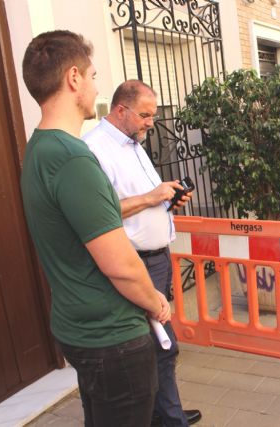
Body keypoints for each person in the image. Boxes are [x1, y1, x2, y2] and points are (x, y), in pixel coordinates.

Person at [20, 31, 170, 427]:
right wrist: (155, 301)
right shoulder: (72, 158)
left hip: (79, 327)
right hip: (112, 338)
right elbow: (119, 263)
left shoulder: (38, 147)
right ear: (73, 79)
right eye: (92, 75)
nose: (95, 86)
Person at [83, 80, 201, 426]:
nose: (153, 122)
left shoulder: (132, 143)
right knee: (160, 346)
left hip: (157, 260)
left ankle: (165, 412)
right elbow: (99, 212)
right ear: (121, 111)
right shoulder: (94, 149)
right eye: (146, 115)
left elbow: (141, 199)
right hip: (135, 265)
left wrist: (167, 199)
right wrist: (153, 197)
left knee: (158, 345)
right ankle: (168, 418)